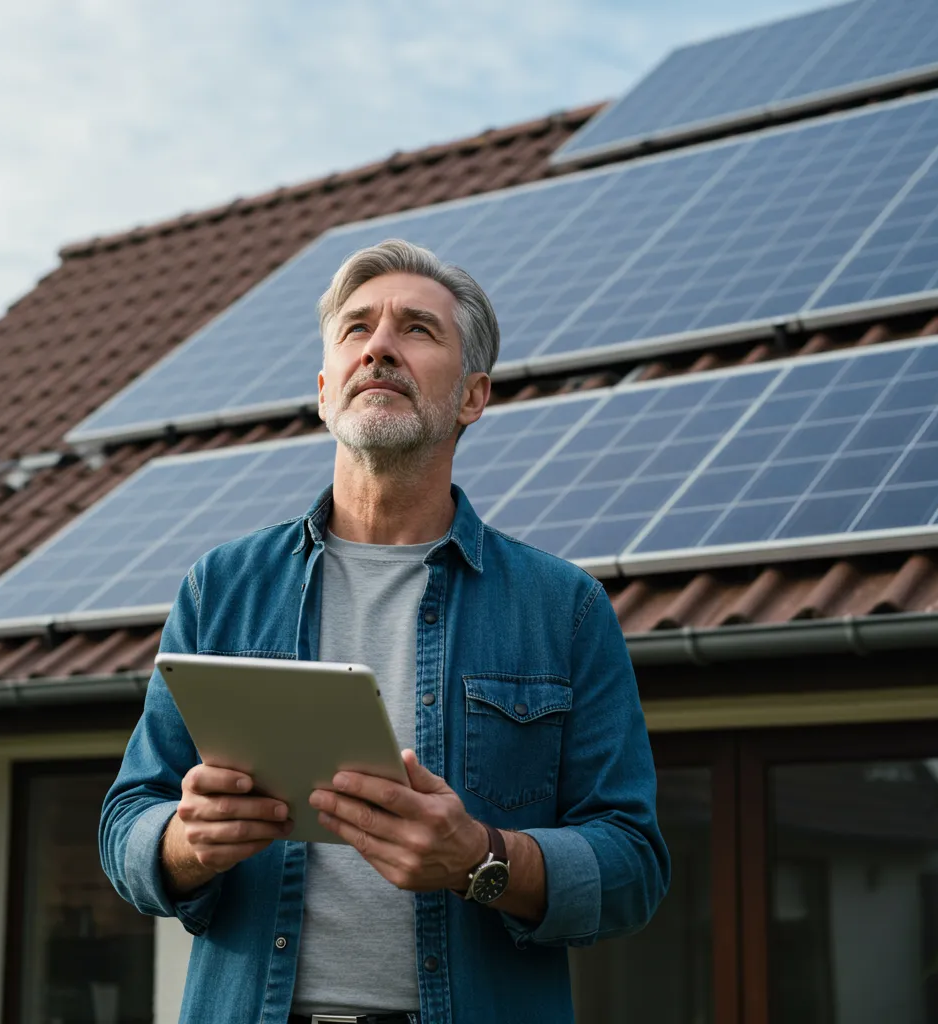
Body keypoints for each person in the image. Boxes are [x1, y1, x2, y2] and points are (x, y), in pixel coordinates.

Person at [99, 239, 670, 1024]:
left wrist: (484, 859)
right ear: (326, 389)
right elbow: (128, 820)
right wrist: (183, 844)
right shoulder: (222, 588)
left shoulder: (562, 609)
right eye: (357, 328)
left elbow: (634, 866)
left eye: (417, 330)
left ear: (472, 397)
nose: (380, 346)